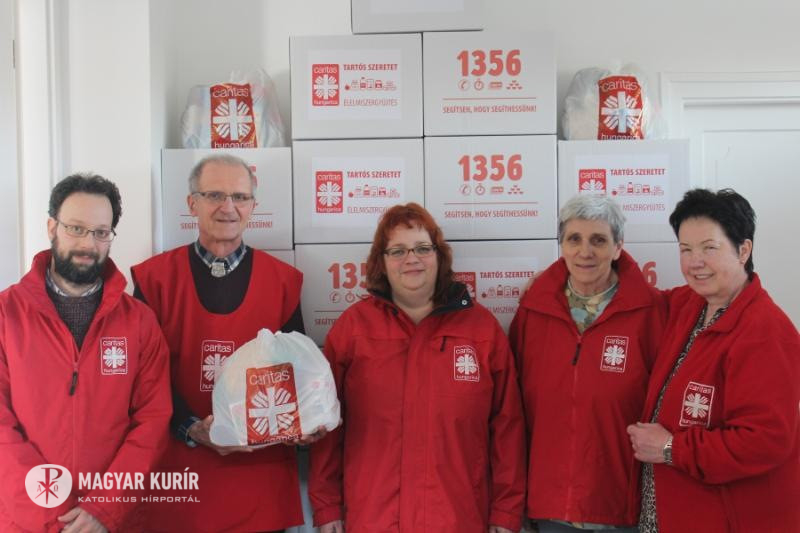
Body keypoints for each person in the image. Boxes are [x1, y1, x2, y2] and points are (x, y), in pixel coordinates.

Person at [309, 202, 526, 533]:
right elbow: (327, 428)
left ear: (439, 256)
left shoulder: (481, 330)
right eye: (398, 251)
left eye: (423, 248)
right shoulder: (352, 330)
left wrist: (506, 512)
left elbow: (507, 427)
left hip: (458, 520)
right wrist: (326, 507)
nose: (412, 259)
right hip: (374, 519)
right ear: (381, 262)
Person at [132, 153, 320, 532]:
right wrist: (191, 427)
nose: (228, 207)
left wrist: (306, 424)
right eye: (215, 195)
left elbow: (295, 378)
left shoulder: (283, 282)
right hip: (179, 480)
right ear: (192, 203)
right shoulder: (154, 280)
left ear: (253, 206)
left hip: (259, 484)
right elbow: (140, 379)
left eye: (240, 197)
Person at [0, 174, 171, 532]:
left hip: (113, 522)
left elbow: (152, 423)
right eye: (76, 228)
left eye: (101, 232)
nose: (88, 244)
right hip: (27, 521)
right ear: (52, 227)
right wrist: (55, 515)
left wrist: (102, 509)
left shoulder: (139, 322)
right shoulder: (5, 314)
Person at [627, 188, 800, 532]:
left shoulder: (765, 332)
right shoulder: (689, 305)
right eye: (685, 249)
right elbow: (631, 296)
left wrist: (671, 448)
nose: (695, 262)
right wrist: (557, 279)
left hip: (731, 519)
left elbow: (764, 442)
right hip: (673, 513)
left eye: (709, 248)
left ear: (743, 250)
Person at [509, 194, 666, 533]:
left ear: (618, 247)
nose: (585, 251)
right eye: (574, 239)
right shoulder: (533, 311)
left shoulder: (652, 312)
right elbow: (512, 411)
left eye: (598, 240)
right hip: (550, 509)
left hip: (621, 507)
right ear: (562, 246)